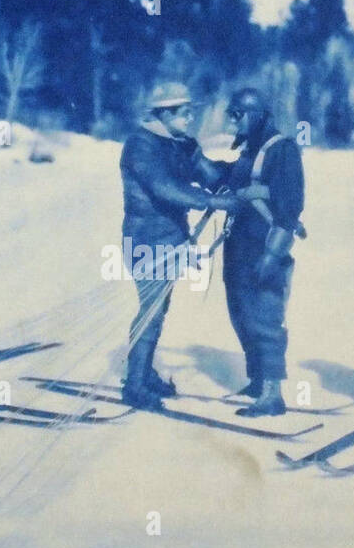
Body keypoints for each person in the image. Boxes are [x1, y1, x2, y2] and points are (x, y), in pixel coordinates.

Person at [119, 82, 241, 408]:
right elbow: (164, 188)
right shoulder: (140, 146)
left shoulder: (182, 145)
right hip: (145, 241)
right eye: (185, 113)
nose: (191, 119)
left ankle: (142, 375)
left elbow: (211, 174)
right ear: (165, 113)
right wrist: (211, 202)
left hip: (172, 241)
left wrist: (248, 168)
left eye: (192, 112)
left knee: (158, 309)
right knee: (152, 310)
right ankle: (135, 384)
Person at [210, 87, 305, 417]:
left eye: (238, 115)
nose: (233, 121)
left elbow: (290, 208)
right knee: (240, 313)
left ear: (255, 116)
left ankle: (272, 393)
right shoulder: (250, 149)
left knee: (264, 317)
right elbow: (229, 178)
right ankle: (257, 378)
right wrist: (195, 161)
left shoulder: (283, 150)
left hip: (264, 247)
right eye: (231, 114)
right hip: (239, 246)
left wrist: (273, 254)